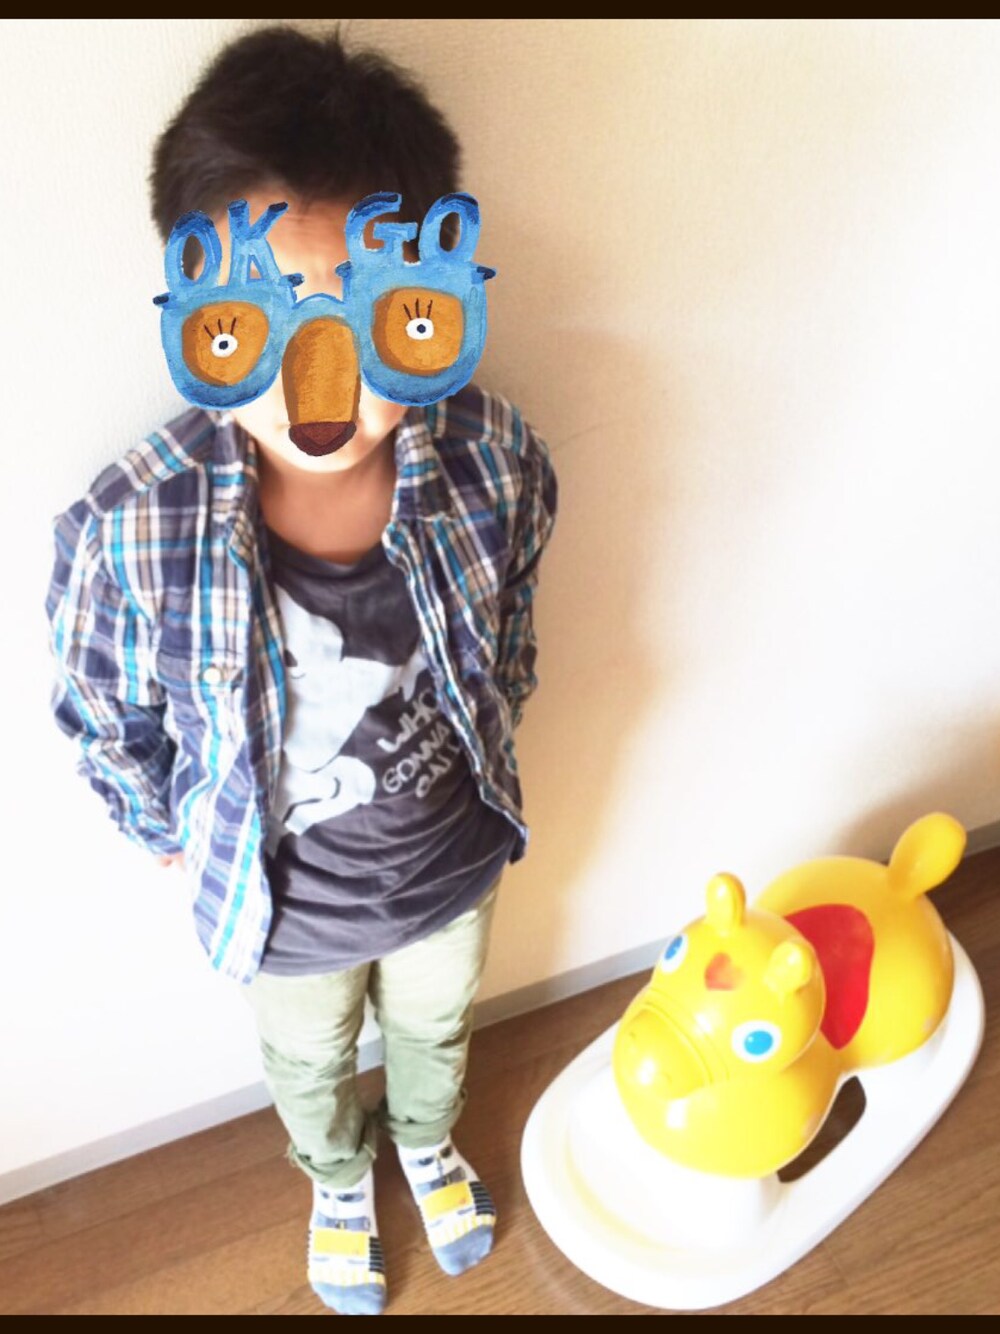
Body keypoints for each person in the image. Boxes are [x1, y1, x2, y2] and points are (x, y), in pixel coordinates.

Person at [45, 25, 556, 1317]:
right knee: (310, 1060)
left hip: (450, 866)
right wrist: (165, 828)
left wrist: (501, 715)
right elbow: (102, 706)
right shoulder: (133, 525)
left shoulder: (491, 457)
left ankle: (425, 1143)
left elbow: (513, 609)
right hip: (283, 913)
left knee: (437, 1027)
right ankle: (336, 1178)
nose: (314, 380)